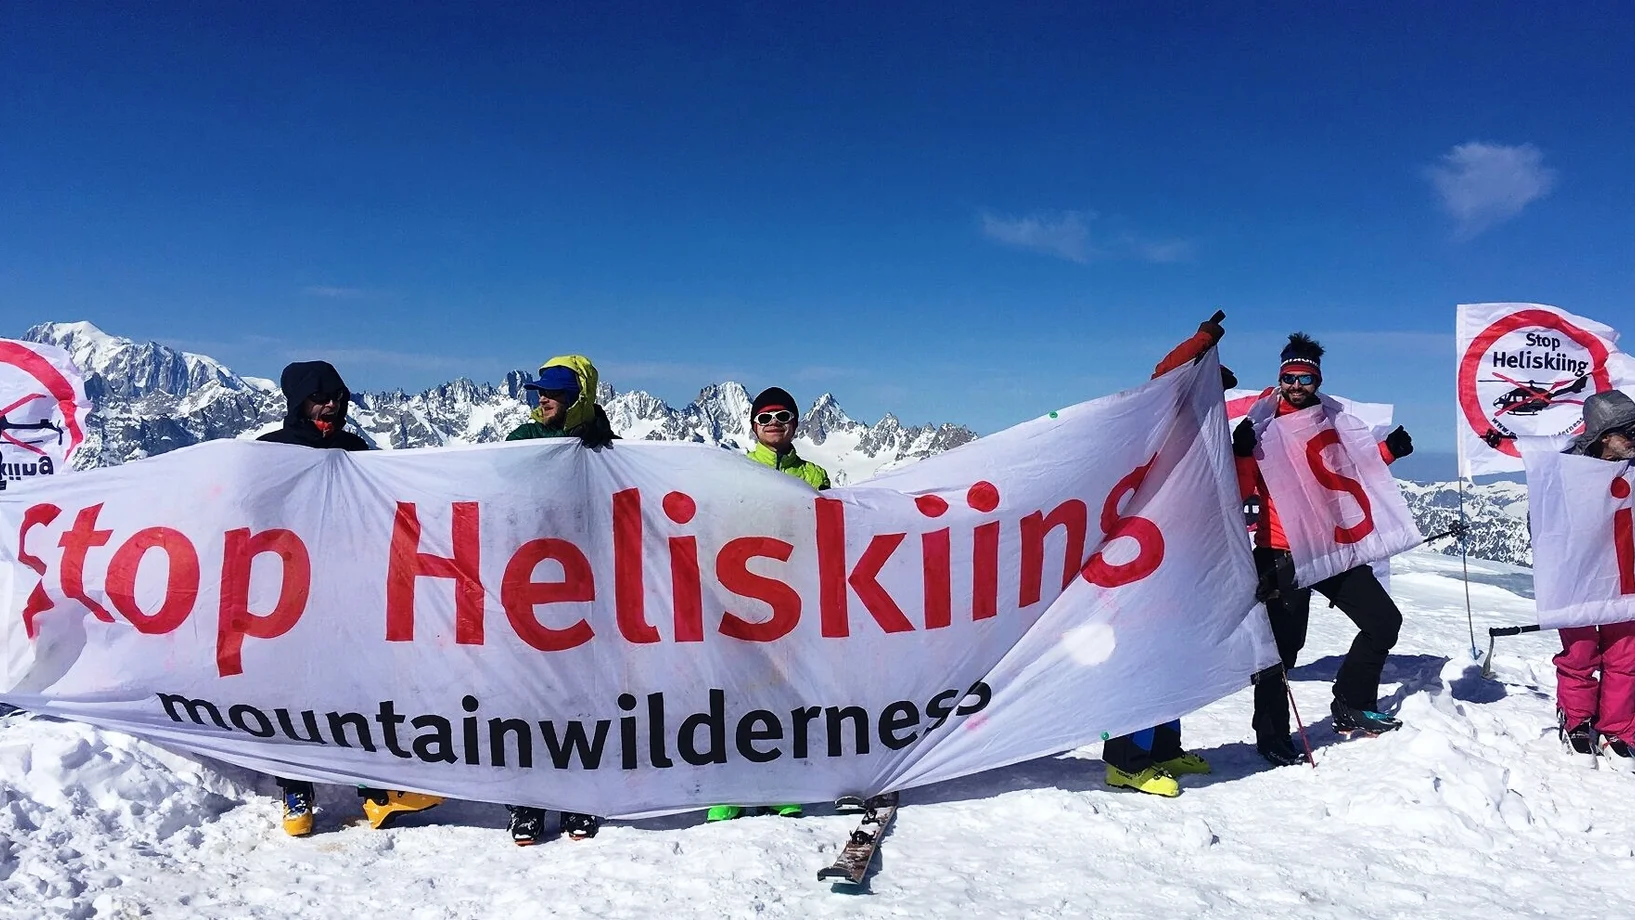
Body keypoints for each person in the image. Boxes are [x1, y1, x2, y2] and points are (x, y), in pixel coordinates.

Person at [258, 361, 444, 836]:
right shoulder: (269, 453)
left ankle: (376, 791)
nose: (331, 406)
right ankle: (296, 790)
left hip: (350, 591)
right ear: (298, 401)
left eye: (338, 399)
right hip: (288, 593)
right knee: (292, 691)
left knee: (357, 689)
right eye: (320, 398)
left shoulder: (357, 452)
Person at [1231, 334, 1415, 767]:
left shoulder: (1329, 420)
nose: (1296, 386)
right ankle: (1271, 735)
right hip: (1280, 551)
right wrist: (1241, 454)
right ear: (1280, 379)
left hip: (1330, 546)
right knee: (1282, 652)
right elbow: (1240, 492)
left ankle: (1352, 703)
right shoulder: (1262, 427)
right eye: (1289, 378)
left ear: (1318, 380)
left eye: (1305, 378)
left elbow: (1346, 468)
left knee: (1383, 621)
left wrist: (1388, 452)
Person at [1102, 314, 1233, 797]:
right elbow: (1163, 376)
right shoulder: (1162, 421)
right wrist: (1201, 343)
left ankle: (1164, 747)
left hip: (1185, 560)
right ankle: (1125, 761)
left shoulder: (1207, 437)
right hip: (1144, 561)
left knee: (1176, 656)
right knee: (1145, 657)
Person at [502, 354, 615, 844]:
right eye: (539, 391)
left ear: (578, 398)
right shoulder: (522, 441)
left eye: (555, 392)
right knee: (527, 697)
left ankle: (577, 796)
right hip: (529, 581)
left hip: (585, 584)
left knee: (579, 696)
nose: (543, 399)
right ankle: (525, 801)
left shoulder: (605, 447)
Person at [706, 386, 827, 822]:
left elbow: (832, 527)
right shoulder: (736, 471)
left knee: (785, 690)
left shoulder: (815, 474)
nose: (774, 423)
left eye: (783, 416)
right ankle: (730, 788)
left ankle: (780, 784)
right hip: (740, 594)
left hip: (795, 596)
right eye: (765, 417)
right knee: (734, 688)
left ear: (795, 423)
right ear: (753, 425)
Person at [1555, 390, 1635, 763]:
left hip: (1625, 576)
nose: (1634, 439)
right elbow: (1543, 524)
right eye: (1628, 432)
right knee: (1581, 653)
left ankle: (1617, 727)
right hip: (1579, 576)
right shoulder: (1566, 470)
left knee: (1625, 654)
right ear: (1604, 436)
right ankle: (1576, 720)